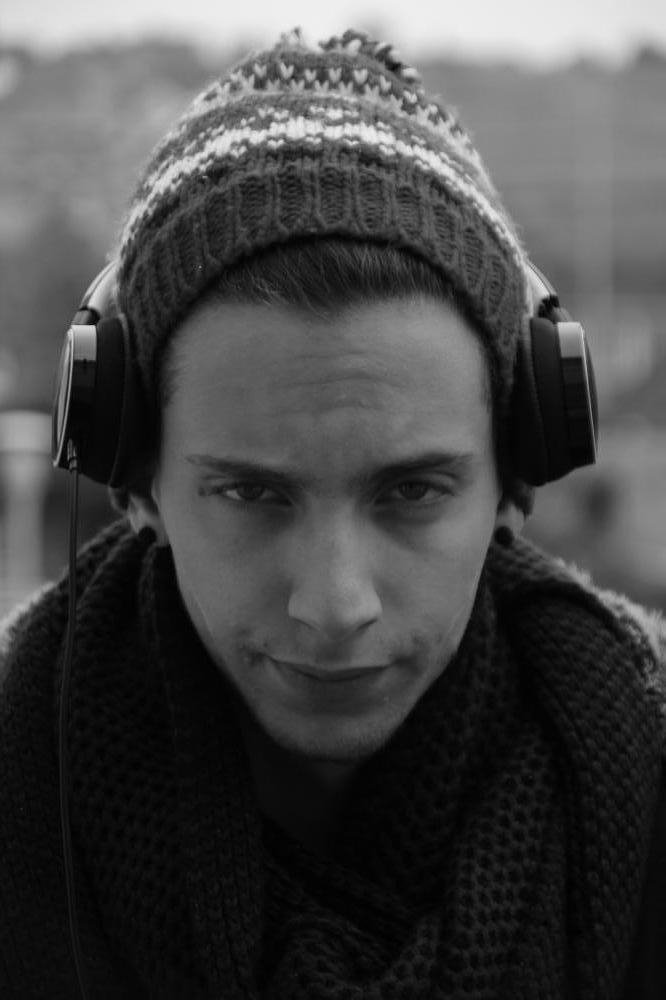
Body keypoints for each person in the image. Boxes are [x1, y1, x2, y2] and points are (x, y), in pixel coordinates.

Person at [1, 27, 664, 999]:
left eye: (412, 492)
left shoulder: (646, 756)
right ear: (136, 477)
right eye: (251, 493)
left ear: (518, 473)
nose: (334, 604)